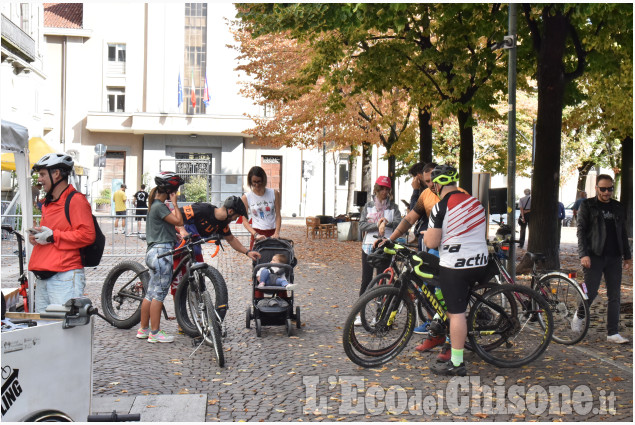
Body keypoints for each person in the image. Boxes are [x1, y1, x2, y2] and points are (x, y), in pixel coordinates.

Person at [387, 165, 487, 376]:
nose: (431, 186)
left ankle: (457, 362)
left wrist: (430, 233)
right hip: (481, 262)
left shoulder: (441, 207)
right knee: (459, 304)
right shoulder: (475, 201)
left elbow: (431, 243)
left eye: (433, 182)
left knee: (456, 314)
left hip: (456, 265)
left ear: (440, 182)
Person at [28, 153, 96, 313]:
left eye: (43, 174)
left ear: (56, 174)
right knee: (43, 330)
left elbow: (88, 235)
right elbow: (54, 234)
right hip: (45, 275)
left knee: (63, 331)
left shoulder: (76, 200)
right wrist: (38, 237)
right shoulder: (49, 203)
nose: (39, 179)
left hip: (65, 275)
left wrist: (53, 236)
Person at [574, 175, 632, 344]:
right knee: (591, 292)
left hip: (614, 257)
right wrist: (583, 254)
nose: (607, 192)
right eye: (603, 189)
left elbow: (623, 233)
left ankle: (612, 332)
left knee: (615, 295)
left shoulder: (618, 207)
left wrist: (627, 257)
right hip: (594, 255)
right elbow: (581, 232)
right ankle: (580, 314)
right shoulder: (587, 205)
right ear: (596, 188)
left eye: (610, 189)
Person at [137, 172, 184, 343]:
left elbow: (165, 228)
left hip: (153, 253)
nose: (177, 193)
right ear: (170, 190)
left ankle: (143, 329)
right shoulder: (160, 206)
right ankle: (155, 333)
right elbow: (179, 221)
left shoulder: (154, 206)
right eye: (176, 191)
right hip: (162, 254)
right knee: (160, 293)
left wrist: (174, 236)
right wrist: (175, 204)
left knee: (150, 293)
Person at [354, 176, 402, 326]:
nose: (384, 192)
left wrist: (386, 222)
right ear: (376, 189)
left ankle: (379, 314)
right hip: (368, 246)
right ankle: (359, 314)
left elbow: (399, 223)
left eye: (387, 189)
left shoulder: (393, 207)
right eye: (382, 189)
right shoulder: (368, 206)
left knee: (382, 280)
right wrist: (377, 224)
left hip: (385, 247)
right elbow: (362, 225)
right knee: (366, 280)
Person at [179, 195, 261, 262]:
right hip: (178, 240)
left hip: (193, 246)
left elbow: (231, 239)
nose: (235, 219)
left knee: (199, 267)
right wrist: (182, 230)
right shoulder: (203, 209)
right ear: (230, 211)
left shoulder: (222, 224)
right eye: (236, 216)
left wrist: (247, 252)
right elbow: (176, 213)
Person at [241, 166, 281, 249]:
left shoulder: (274, 193)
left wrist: (277, 232)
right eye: (254, 182)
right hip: (257, 232)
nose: (257, 185)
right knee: (257, 260)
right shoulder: (246, 197)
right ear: (250, 182)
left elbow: (278, 215)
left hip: (272, 232)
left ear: (264, 180)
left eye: (259, 182)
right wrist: (255, 234)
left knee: (273, 259)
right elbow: (244, 221)